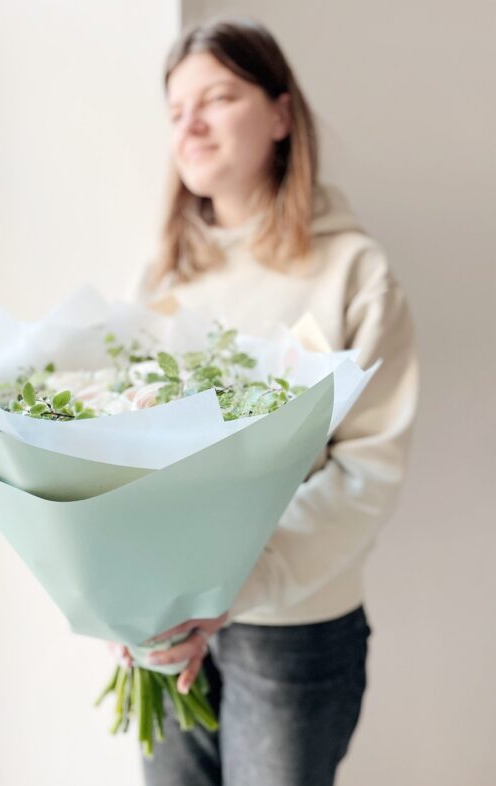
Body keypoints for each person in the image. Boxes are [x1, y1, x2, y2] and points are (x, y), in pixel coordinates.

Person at [109, 15, 419, 786]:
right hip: (176, 626)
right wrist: (126, 589)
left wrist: (241, 581)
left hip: (293, 629)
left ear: (282, 115)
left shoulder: (353, 272)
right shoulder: (162, 281)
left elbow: (366, 472)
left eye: (216, 98)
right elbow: (122, 455)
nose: (192, 124)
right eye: (177, 111)